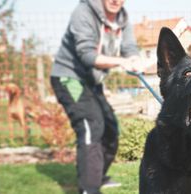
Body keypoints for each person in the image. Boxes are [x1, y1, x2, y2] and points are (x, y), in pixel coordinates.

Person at [50, 0, 142, 193]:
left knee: (110, 129)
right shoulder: (83, 12)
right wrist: (121, 62)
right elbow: (87, 55)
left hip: (92, 83)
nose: (116, 1)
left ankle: (97, 177)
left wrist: (134, 59)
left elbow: (130, 47)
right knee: (91, 126)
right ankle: (88, 189)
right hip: (69, 79)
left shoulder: (122, 18)